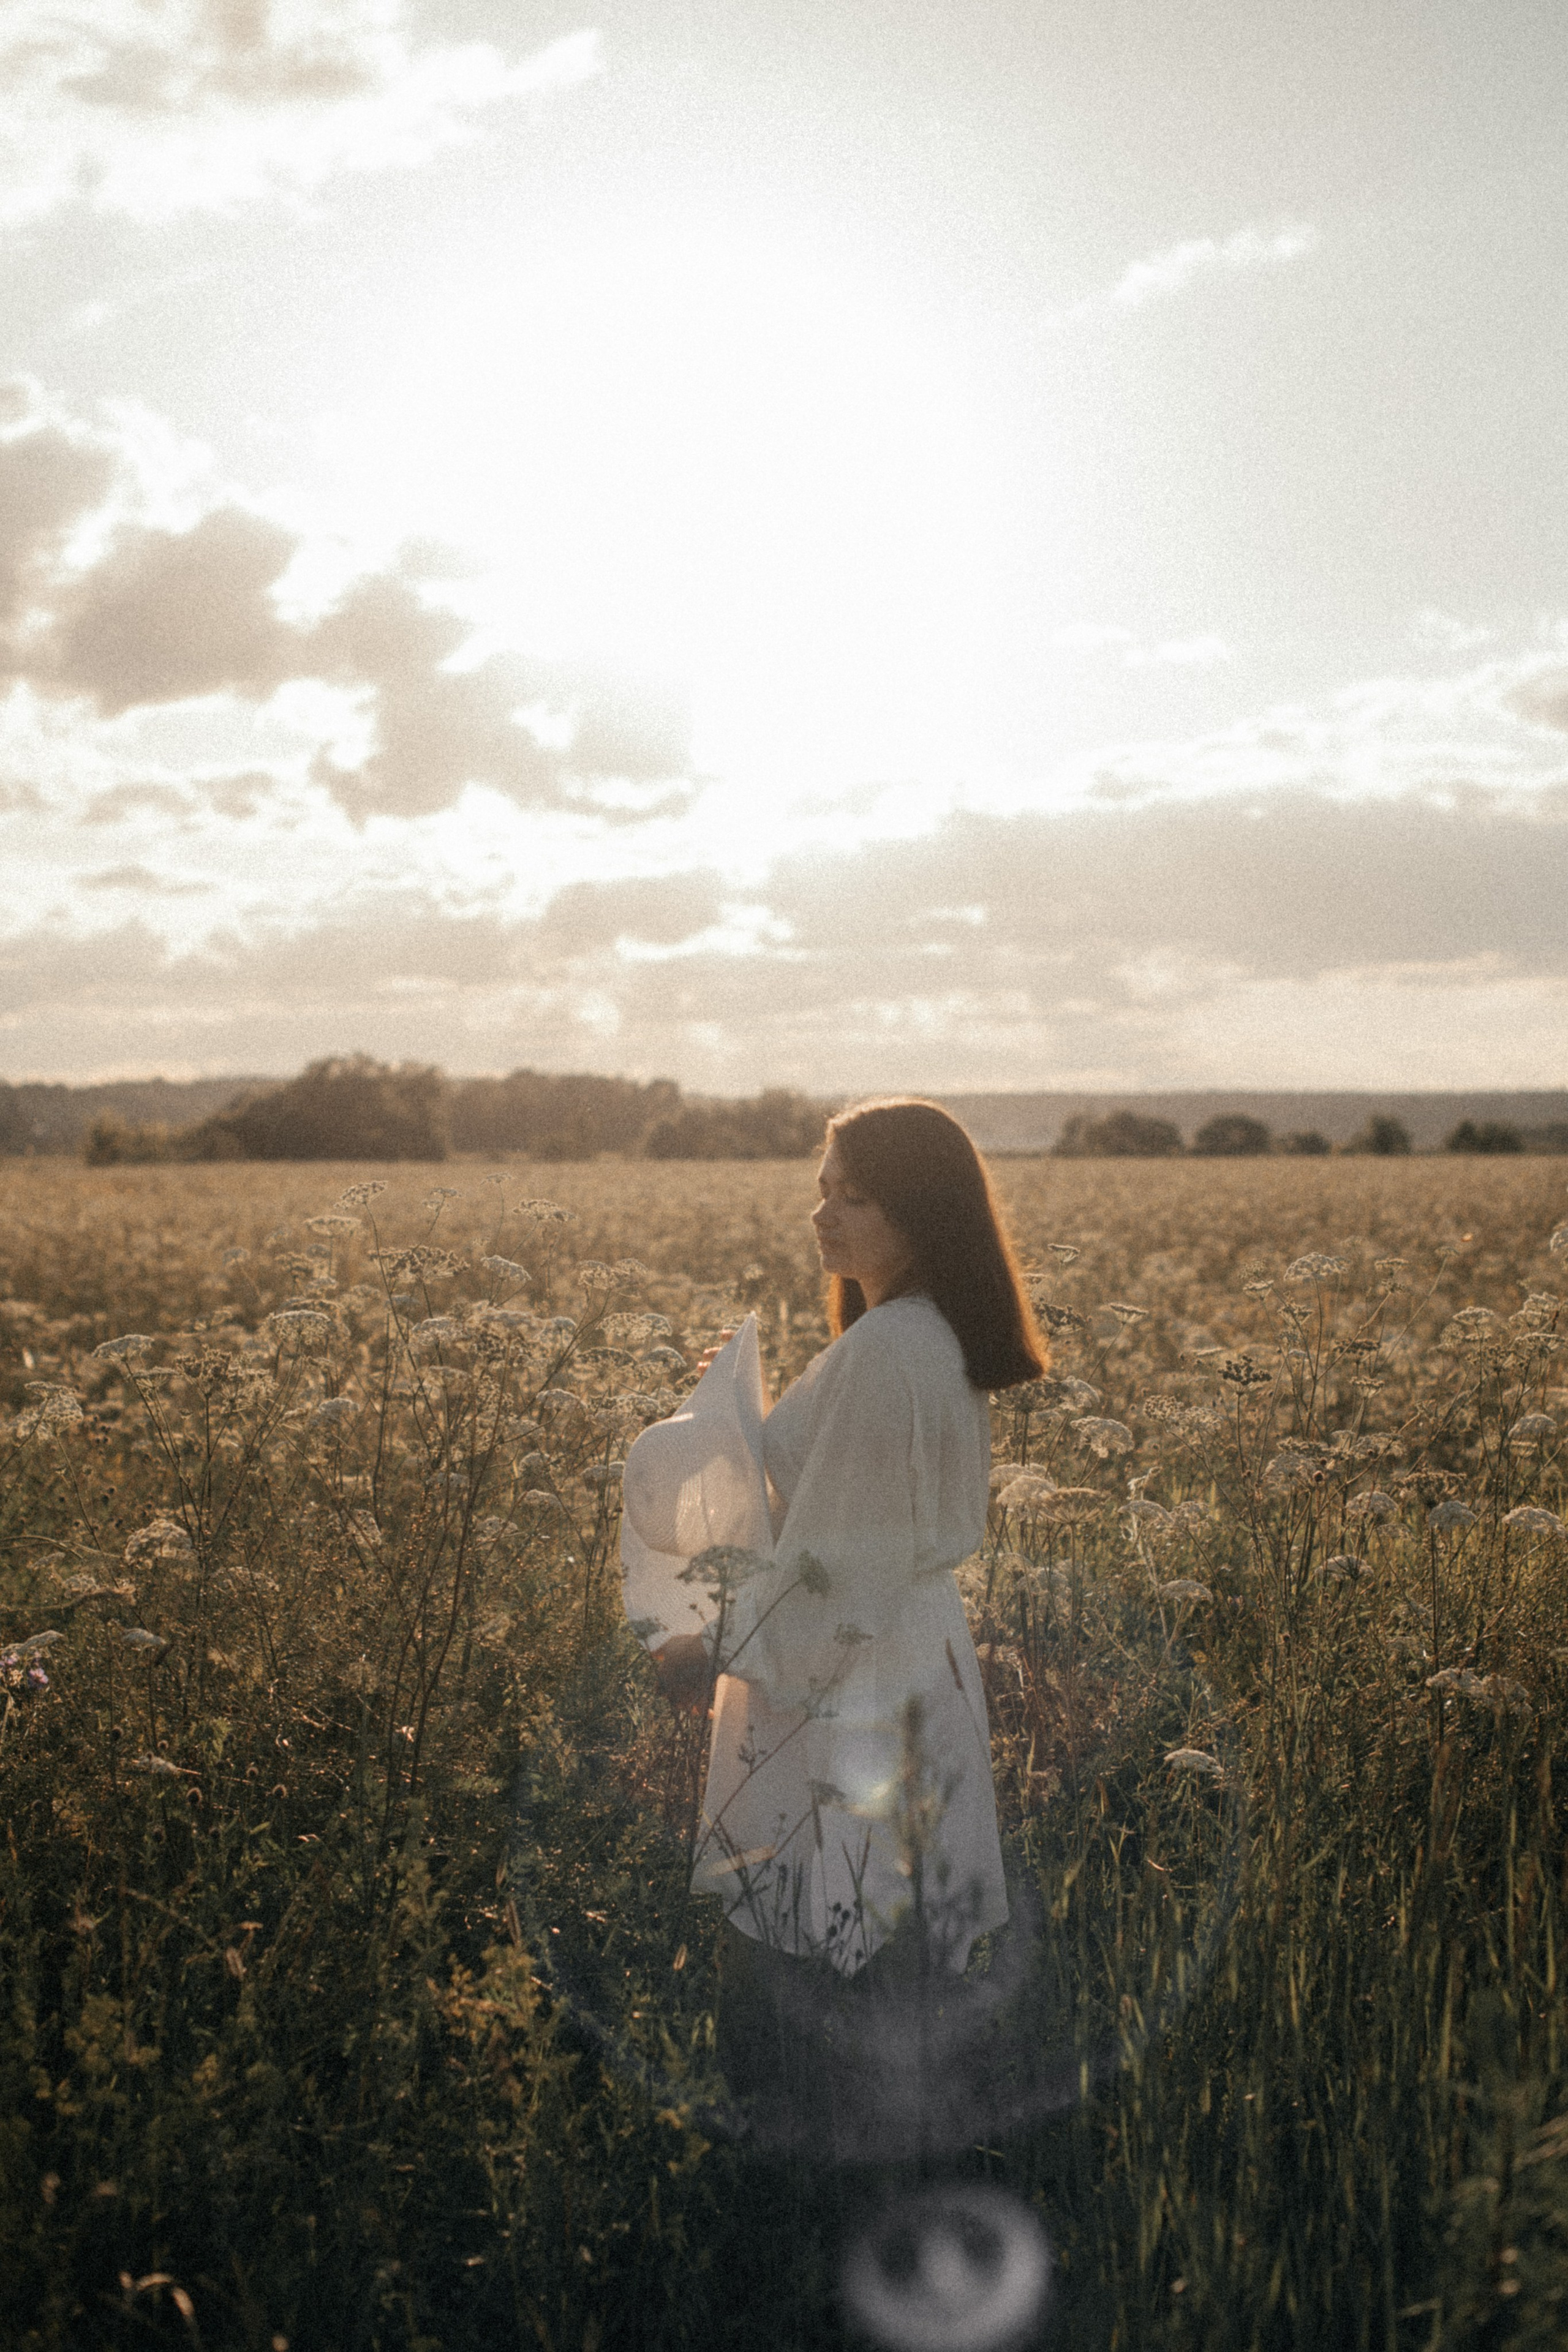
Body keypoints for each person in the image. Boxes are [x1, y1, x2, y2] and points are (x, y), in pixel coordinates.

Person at [619, 1097, 1047, 2139]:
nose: (826, 1214)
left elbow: (837, 1559)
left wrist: (710, 1647)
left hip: (861, 1668)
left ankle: (844, 2165)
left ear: (923, 1212)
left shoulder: (894, 1350)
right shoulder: (911, 1333)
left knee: (853, 1931)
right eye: (823, 1190)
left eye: (855, 1196)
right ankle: (883, 2144)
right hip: (898, 1644)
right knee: (885, 1920)